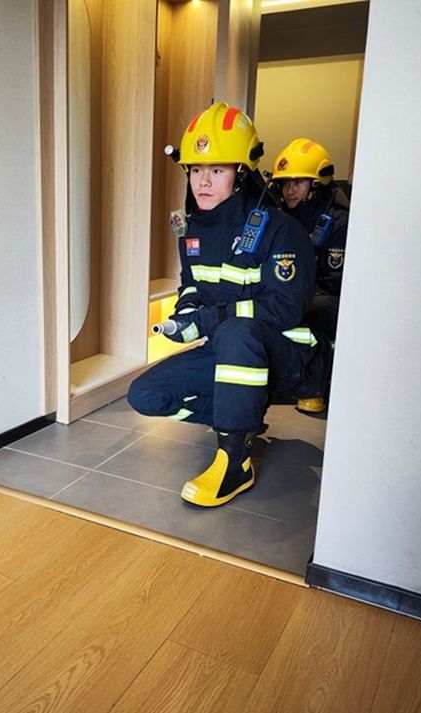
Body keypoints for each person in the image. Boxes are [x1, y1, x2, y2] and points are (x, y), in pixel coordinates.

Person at [127, 102, 318, 508]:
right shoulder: (190, 229)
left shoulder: (281, 229)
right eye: (196, 169)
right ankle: (242, 416)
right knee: (145, 394)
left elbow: (284, 309)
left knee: (235, 330)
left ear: (242, 173)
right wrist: (184, 315)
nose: (203, 181)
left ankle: (235, 463)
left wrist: (207, 320)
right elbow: (192, 286)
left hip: (284, 355)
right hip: (227, 349)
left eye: (217, 170)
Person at [270, 138, 349, 413]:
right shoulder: (280, 217)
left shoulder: (338, 222)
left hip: (326, 299)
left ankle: (311, 387)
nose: (289, 190)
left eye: (299, 182)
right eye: (285, 183)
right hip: (291, 294)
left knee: (312, 310)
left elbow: (334, 282)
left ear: (316, 185)